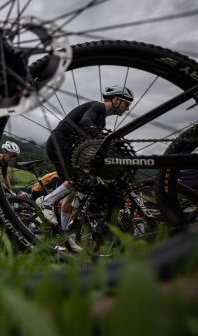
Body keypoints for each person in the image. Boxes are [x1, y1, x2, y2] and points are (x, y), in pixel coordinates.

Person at [38, 85, 134, 253]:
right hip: (58, 144)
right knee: (77, 181)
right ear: (116, 100)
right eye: (126, 103)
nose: (128, 108)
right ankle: (46, 202)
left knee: (73, 192)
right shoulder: (97, 107)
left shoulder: (102, 120)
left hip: (68, 149)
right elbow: (85, 122)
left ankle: (64, 236)